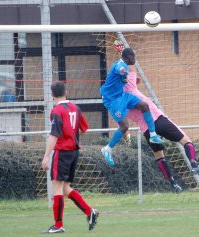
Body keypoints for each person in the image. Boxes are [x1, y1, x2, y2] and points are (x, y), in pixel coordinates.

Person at [123, 69, 199, 192]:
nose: (136, 83)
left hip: (147, 130)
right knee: (186, 141)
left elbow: (123, 125)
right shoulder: (131, 88)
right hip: (158, 120)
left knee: (159, 156)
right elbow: (130, 64)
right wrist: (121, 52)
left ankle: (173, 183)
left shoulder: (119, 104)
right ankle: (194, 164)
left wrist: (127, 139)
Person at [41, 82, 99, 234]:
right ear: (66, 92)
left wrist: (46, 157)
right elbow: (84, 129)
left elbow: (54, 134)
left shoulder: (56, 111)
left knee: (57, 188)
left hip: (62, 152)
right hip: (74, 152)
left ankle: (58, 225)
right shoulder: (75, 108)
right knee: (65, 188)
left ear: (52, 95)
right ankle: (90, 212)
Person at [100, 48, 165, 166]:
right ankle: (107, 149)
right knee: (124, 126)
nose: (135, 59)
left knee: (144, 106)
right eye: (134, 56)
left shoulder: (126, 66)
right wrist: (123, 70)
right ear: (129, 57)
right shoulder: (120, 65)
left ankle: (153, 135)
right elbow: (119, 68)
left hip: (122, 95)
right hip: (112, 100)